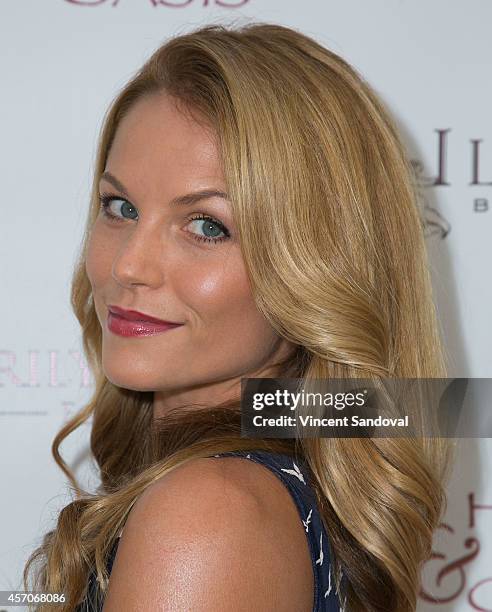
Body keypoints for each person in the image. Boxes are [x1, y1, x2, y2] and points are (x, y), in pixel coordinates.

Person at [23, 21, 454, 611]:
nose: (130, 265)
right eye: (119, 207)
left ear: (317, 265)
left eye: (207, 226)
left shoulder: (210, 511)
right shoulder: (264, 487)